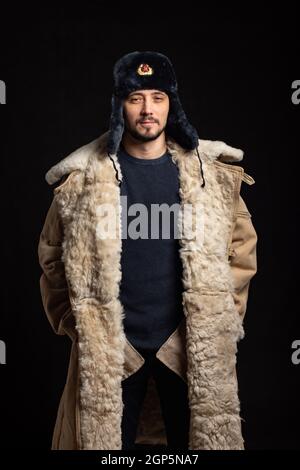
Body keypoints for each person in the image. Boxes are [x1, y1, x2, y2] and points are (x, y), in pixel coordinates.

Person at [38, 51, 258, 450]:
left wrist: (222, 317)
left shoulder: (208, 176)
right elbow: (52, 257)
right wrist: (81, 326)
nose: (147, 110)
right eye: (135, 98)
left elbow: (241, 251)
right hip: (116, 349)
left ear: (171, 104)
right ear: (119, 105)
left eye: (157, 97)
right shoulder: (83, 182)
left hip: (186, 345)